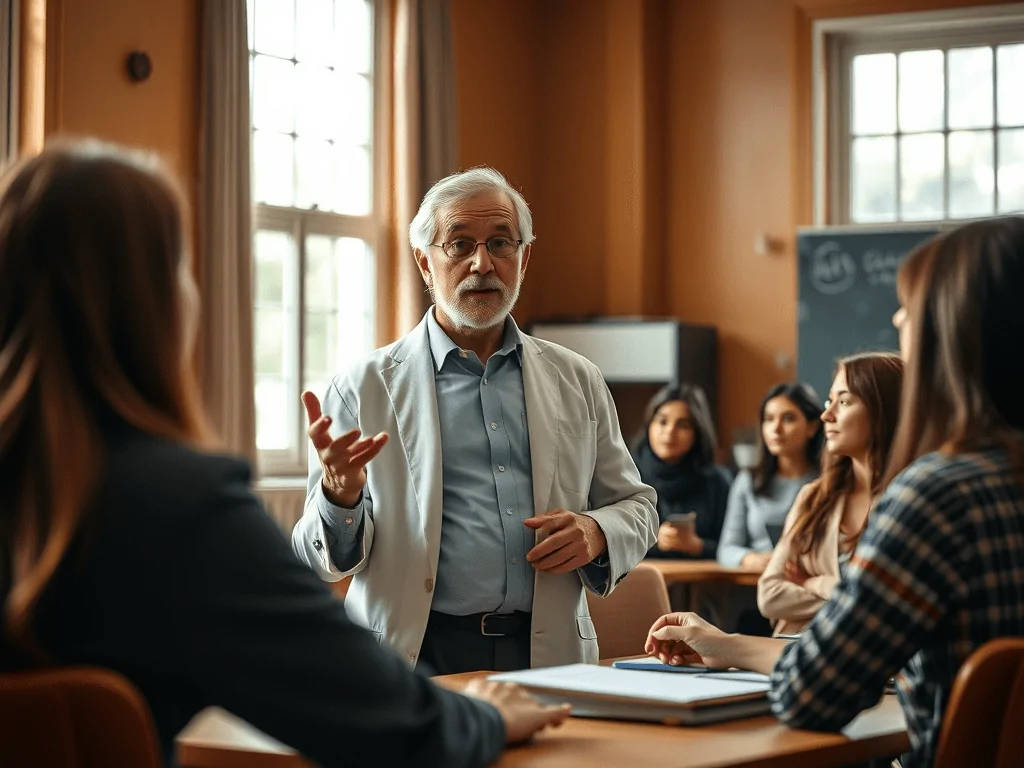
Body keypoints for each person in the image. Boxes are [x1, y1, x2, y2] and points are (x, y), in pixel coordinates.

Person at [0, 142, 570, 768]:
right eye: (181, 267)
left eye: (501, 243)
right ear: (156, 301)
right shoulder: (179, 506)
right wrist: (488, 717)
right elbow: (370, 711)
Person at [646, 216, 1024, 768]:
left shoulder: (938, 496)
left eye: (910, 311)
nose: (896, 320)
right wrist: (725, 645)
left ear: (954, 336)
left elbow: (812, 695)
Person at [292, 166, 658, 674]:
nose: (482, 263)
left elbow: (638, 505)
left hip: (544, 653)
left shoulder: (578, 378)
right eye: (459, 245)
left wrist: (597, 531)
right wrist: (340, 495)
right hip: (414, 654)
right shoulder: (361, 387)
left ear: (523, 257)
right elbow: (319, 558)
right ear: (425, 263)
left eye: (500, 243)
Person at [757, 352, 903, 635]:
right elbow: (770, 595)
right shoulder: (814, 496)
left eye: (844, 401)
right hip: (794, 655)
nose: (827, 414)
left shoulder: (909, 499)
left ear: (885, 410)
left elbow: (885, 607)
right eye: (829, 401)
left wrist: (814, 583)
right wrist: (847, 595)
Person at [717, 381, 823, 572]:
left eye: (788, 419)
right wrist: (750, 558)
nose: (776, 428)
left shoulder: (827, 481)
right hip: (756, 582)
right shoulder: (748, 480)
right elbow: (726, 548)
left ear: (812, 427)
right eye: (769, 419)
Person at [632, 384, 731, 560]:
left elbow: (733, 548)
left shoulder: (717, 481)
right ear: (649, 425)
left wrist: (698, 546)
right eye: (662, 422)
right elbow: (608, 542)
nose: (670, 432)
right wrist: (653, 541)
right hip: (639, 582)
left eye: (683, 425)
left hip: (703, 583)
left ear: (697, 432)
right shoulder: (627, 474)